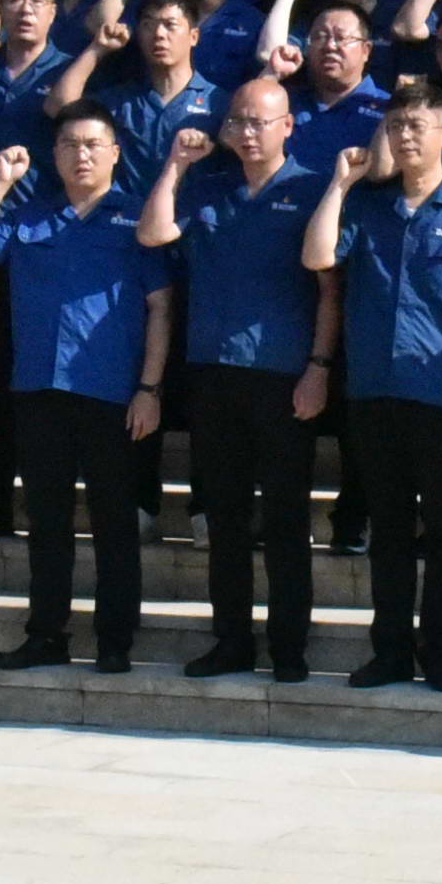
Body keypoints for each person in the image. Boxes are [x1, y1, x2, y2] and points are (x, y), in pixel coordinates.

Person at [310, 88, 442, 691]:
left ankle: (441, 654)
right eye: (397, 125)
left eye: (418, 126)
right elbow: (319, 253)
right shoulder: (369, 208)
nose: (406, 136)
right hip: (375, 391)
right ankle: (390, 651)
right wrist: (340, 185)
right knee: (389, 530)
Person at [0, 107, 175, 672]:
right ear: (53, 155)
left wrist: (150, 387)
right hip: (38, 388)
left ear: (114, 153)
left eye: (93, 145)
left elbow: (159, 307)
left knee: (114, 524)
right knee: (47, 523)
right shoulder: (31, 215)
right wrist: (0, 184)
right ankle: (46, 633)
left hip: (112, 392)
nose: (81, 155)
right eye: (70, 145)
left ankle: (114, 640)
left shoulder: (136, 219)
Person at [147, 85, 331, 681]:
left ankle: (288, 646)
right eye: (239, 122)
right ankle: (231, 639)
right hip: (212, 372)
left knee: (283, 521)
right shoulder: (208, 184)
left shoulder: (311, 189)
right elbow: (153, 234)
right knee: (223, 521)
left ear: (289, 125)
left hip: (283, 376)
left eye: (260, 122)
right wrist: (177, 163)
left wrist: (319, 369)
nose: (249, 133)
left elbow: (331, 292)